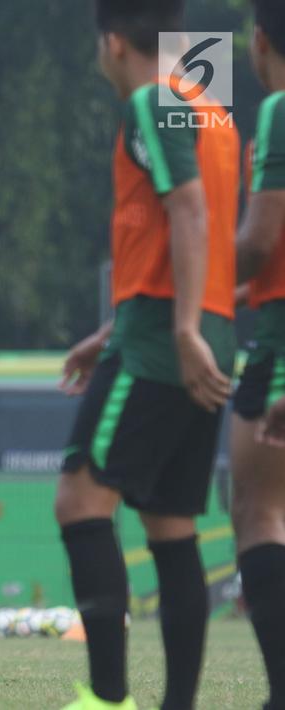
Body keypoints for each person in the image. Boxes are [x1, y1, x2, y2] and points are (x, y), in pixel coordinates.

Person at [56, 2, 239, 708]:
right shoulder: (211, 112)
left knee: (79, 500)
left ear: (110, 41)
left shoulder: (154, 103)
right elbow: (182, 235)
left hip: (167, 341)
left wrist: (179, 329)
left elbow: (189, 212)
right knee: (171, 524)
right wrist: (109, 332)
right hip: (199, 332)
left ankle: (106, 699)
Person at [231, 3, 285, 708]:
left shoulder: (276, 108)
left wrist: (189, 283)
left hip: (275, 334)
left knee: (255, 505)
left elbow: (258, 241)